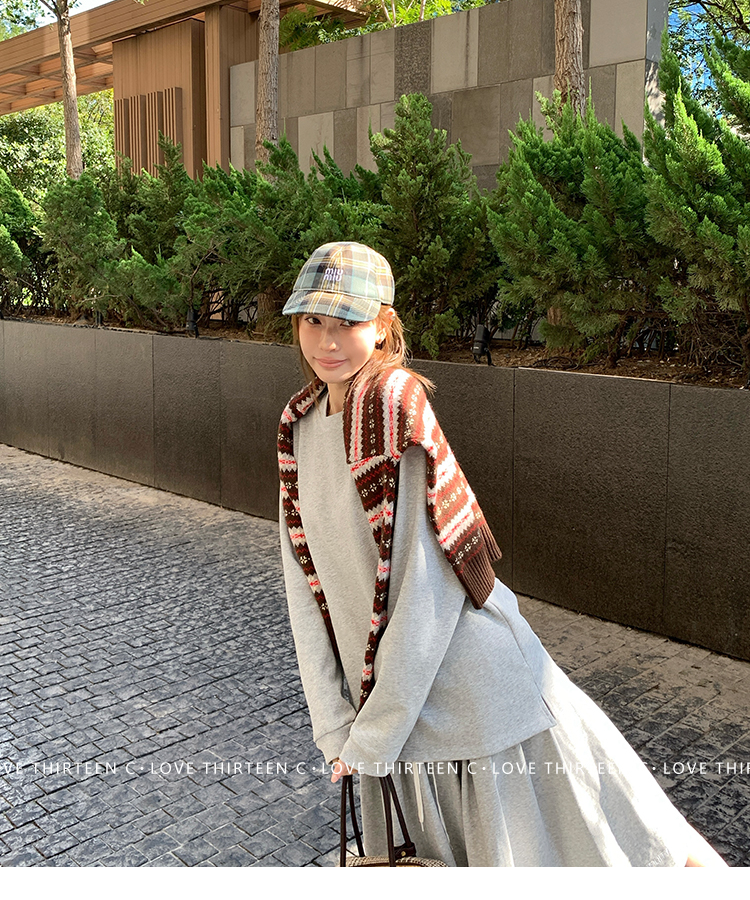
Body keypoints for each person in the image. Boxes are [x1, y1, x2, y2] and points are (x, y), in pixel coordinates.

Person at [277, 240, 726, 868]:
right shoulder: (297, 424)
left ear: (381, 326)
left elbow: (428, 585)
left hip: (474, 698)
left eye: (347, 322)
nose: (327, 341)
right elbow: (303, 582)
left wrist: (371, 735)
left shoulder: (391, 404)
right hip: (394, 713)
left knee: (630, 846)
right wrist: (334, 722)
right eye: (312, 320)